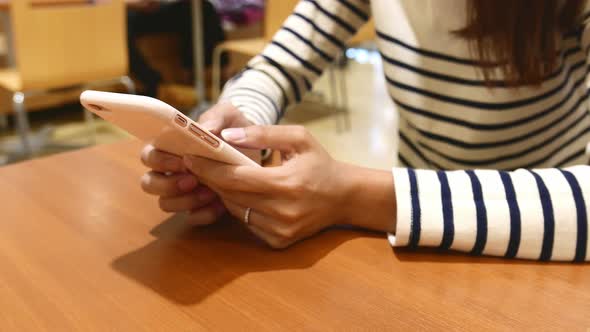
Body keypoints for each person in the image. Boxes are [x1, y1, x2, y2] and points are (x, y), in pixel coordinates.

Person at [139, 0, 590, 262]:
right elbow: (279, 65)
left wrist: (354, 196)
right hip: (419, 244)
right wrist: (235, 135)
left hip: (549, 237)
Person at [126, 0, 225, 97]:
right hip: (122, 12)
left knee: (203, 7)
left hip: (153, 7)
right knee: (119, 27)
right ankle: (152, 83)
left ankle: (213, 73)